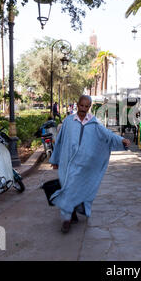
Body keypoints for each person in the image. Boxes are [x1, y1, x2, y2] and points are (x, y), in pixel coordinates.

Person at [49, 95, 131, 233]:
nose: (83, 109)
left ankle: (69, 217)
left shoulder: (94, 123)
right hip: (68, 164)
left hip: (84, 165)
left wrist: (121, 140)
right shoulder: (68, 122)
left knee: (77, 190)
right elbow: (60, 142)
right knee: (68, 189)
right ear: (77, 104)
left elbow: (108, 135)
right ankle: (69, 217)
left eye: (87, 106)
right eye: (82, 105)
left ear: (89, 107)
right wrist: (55, 160)